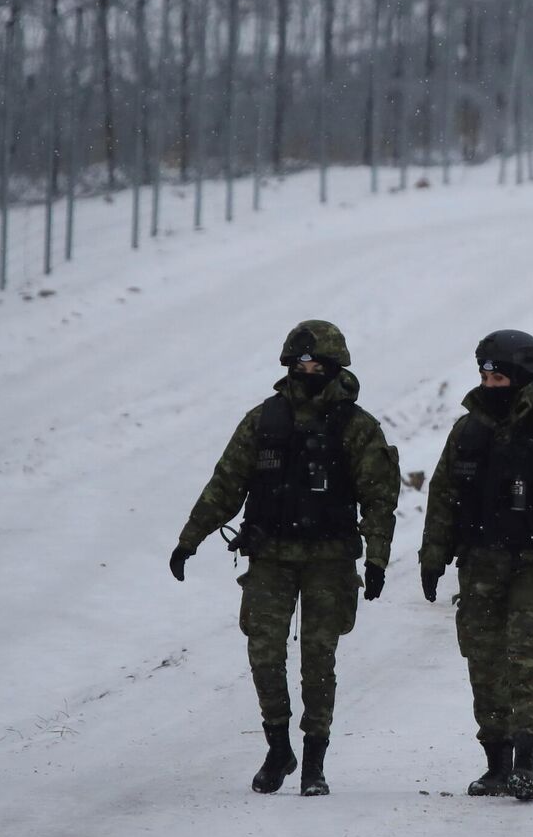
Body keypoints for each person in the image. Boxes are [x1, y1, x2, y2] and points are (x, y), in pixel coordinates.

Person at [169, 320, 400, 797]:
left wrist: (377, 557)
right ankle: (278, 747)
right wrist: (190, 539)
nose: (308, 371)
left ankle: (314, 759)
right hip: (271, 556)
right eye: (300, 364)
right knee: (264, 652)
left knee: (318, 658)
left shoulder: (357, 427)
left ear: (335, 368)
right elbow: (226, 484)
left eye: (317, 364)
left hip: (330, 560)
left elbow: (379, 497)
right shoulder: (264, 421)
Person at [418, 329, 533, 802]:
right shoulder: (467, 430)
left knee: (526, 661)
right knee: (483, 662)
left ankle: (526, 762)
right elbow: (443, 496)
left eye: (497, 375)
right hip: (478, 566)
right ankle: (495, 763)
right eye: (484, 374)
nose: (488, 381)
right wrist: (432, 556)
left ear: (519, 377)